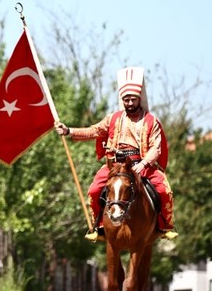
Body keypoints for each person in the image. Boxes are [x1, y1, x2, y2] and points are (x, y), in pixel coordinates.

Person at [55, 67, 178, 242]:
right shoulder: (113, 118)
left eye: (132, 99)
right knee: (94, 190)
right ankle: (98, 227)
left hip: (142, 164)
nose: (129, 103)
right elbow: (94, 130)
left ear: (139, 99)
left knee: (164, 191)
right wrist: (69, 131)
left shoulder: (151, 121)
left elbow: (156, 148)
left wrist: (143, 163)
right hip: (114, 165)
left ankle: (165, 226)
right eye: (126, 99)